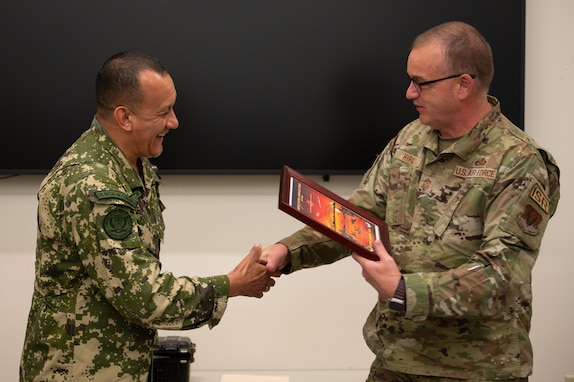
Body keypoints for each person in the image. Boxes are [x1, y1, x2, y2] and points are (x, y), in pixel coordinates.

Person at [261, 21, 560, 381]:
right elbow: (360, 218)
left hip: (477, 369)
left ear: (463, 84)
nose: (409, 93)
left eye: (421, 82)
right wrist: (289, 251)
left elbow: (501, 273)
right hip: (396, 360)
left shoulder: (518, 160)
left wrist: (405, 291)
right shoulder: (412, 139)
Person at [20, 51, 276, 382]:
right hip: (76, 371)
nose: (174, 121)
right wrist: (231, 285)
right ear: (125, 117)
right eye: (163, 112)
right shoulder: (92, 182)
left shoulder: (133, 166)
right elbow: (140, 295)